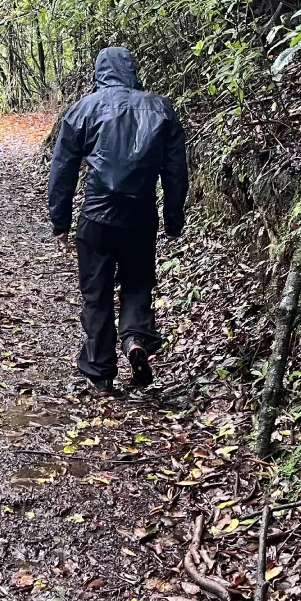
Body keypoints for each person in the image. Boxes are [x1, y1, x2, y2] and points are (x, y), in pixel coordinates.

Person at [48, 46, 188, 393]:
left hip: (96, 216)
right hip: (140, 216)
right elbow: (175, 172)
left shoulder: (82, 110)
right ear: (132, 70)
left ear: (99, 73)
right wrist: (173, 219)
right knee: (137, 282)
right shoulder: (160, 108)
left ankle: (100, 374)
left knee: (96, 294)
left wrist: (60, 221)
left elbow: (62, 169)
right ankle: (134, 339)